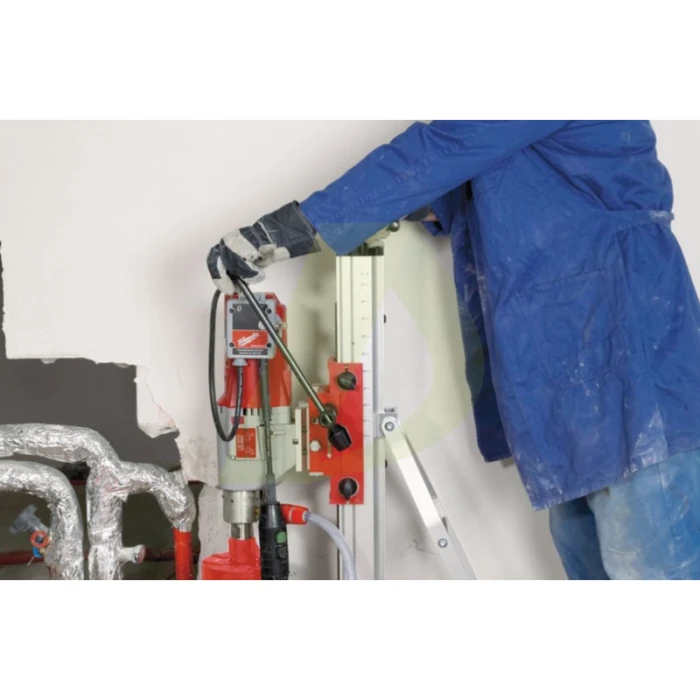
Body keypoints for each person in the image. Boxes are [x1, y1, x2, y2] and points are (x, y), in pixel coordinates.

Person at [207, 121, 700, 580]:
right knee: (591, 562)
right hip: (572, 374)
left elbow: (449, 145)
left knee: (653, 567)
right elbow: (481, 184)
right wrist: (398, 206)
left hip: (628, 354)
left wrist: (290, 228)